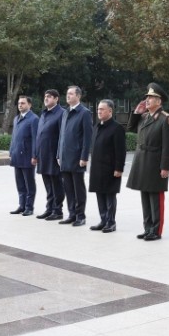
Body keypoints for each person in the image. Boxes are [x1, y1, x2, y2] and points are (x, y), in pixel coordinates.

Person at [126, 83, 169, 241]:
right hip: (142, 160)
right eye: (147, 97)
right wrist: (136, 112)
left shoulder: (165, 119)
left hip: (155, 162)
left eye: (151, 97)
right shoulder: (144, 116)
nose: (147, 100)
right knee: (145, 196)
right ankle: (147, 228)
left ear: (159, 102)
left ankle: (156, 230)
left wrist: (165, 167)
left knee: (155, 198)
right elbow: (130, 128)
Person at [88, 100, 126, 233]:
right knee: (100, 196)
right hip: (97, 169)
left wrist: (119, 168)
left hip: (110, 169)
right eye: (98, 109)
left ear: (110, 111)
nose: (99, 111)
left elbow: (120, 151)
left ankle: (111, 222)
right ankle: (103, 220)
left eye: (102, 109)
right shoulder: (97, 126)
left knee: (110, 196)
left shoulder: (117, 128)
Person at [56, 86, 92, 227]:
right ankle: (71, 214)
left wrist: (84, 157)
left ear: (78, 96)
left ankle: (80, 215)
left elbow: (87, 138)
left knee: (78, 188)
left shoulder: (84, 113)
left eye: (71, 94)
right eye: (67, 94)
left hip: (77, 157)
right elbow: (61, 136)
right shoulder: (65, 113)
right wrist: (58, 154)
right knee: (68, 188)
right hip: (64, 158)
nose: (68, 96)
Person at [33, 89, 65, 220]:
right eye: (45, 96)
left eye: (49, 97)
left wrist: (59, 155)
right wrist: (36, 154)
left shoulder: (61, 113)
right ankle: (50, 208)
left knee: (56, 183)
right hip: (43, 155)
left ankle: (58, 210)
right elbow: (39, 136)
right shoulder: (44, 114)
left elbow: (62, 136)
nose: (46, 99)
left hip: (53, 155)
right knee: (47, 183)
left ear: (56, 99)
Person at [9, 95, 39, 216]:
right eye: (19, 103)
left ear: (29, 105)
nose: (20, 105)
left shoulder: (34, 119)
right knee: (20, 183)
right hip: (17, 156)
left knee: (29, 183)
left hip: (28, 157)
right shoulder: (16, 119)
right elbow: (14, 137)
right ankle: (21, 205)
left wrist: (34, 156)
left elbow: (35, 139)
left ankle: (29, 207)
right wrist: (11, 151)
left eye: (23, 103)